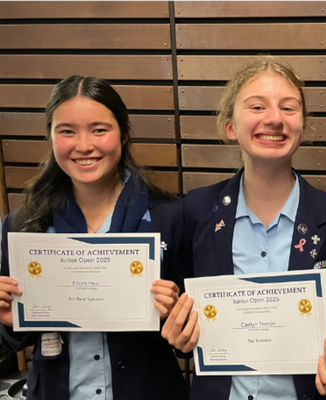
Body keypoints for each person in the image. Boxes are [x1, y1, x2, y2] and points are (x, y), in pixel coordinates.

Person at [161, 56, 326, 400]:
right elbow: (184, 307)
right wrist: (179, 336)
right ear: (230, 126)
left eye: (288, 107)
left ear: (303, 127)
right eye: (257, 106)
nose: (274, 119)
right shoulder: (195, 212)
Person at [0, 75, 188, 400]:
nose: (84, 145)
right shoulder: (23, 227)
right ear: (50, 136)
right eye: (67, 131)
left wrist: (175, 316)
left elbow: (195, 340)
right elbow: (9, 342)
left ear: (124, 134)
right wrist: (8, 322)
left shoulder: (171, 218)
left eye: (99, 130)